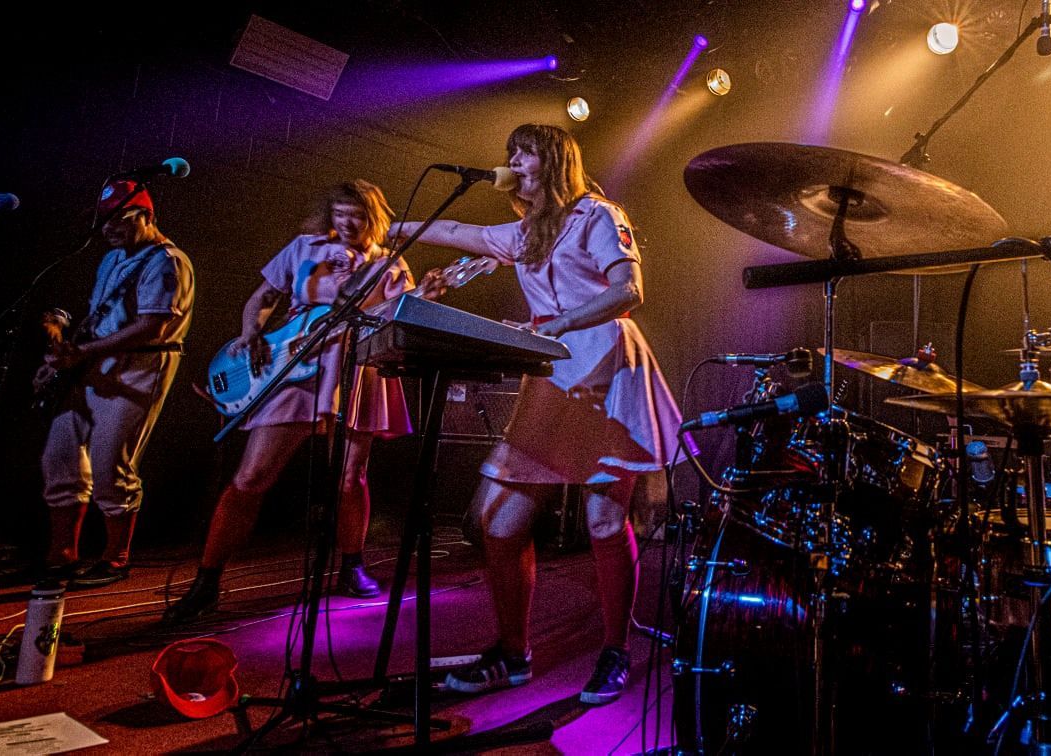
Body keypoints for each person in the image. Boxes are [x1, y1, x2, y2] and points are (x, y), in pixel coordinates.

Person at [394, 124, 686, 705]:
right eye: (509, 153)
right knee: (495, 522)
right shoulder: (525, 233)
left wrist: (561, 324)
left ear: (552, 161)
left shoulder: (598, 215)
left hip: (608, 371)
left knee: (605, 521)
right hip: (553, 377)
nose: (512, 162)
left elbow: (629, 290)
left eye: (524, 152)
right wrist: (397, 229)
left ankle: (615, 649)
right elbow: (461, 231)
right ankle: (511, 652)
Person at [163, 179, 444, 625]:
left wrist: (423, 297)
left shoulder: (389, 262)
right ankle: (207, 580)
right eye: (339, 214)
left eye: (357, 215)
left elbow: (396, 317)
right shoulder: (303, 248)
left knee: (352, 475)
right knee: (252, 476)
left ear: (373, 217)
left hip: (356, 365)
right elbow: (262, 298)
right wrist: (251, 332)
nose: (347, 222)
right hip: (293, 363)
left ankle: (351, 564)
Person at [37, 180, 194, 588]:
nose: (108, 228)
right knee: (60, 456)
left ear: (147, 215)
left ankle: (116, 557)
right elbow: (98, 317)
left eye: (118, 219)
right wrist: (59, 357)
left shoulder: (168, 261)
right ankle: (61, 556)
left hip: (140, 368)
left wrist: (84, 354)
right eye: (103, 220)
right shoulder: (111, 260)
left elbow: (151, 326)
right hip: (94, 364)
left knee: (111, 462)